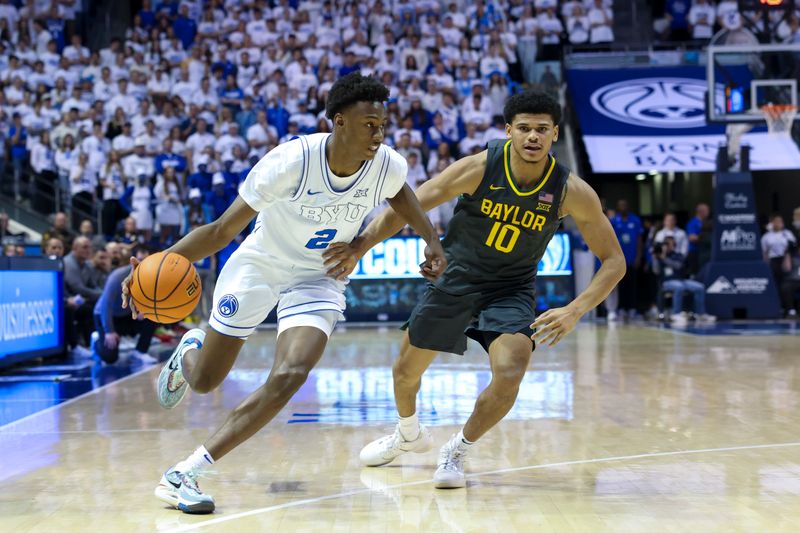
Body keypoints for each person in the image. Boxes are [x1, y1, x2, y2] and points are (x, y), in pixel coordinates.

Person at [121, 73, 446, 514]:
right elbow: (220, 230)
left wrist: (431, 240)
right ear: (339, 122)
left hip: (319, 276)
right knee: (204, 382)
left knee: (292, 373)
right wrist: (159, 260)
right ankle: (190, 352)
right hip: (260, 267)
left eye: (382, 125)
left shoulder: (387, 163)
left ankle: (185, 472)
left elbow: (403, 197)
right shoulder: (291, 161)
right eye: (369, 124)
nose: (378, 133)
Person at [329, 91, 625, 488]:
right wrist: (359, 247)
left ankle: (458, 448)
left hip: (510, 288)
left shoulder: (572, 191)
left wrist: (575, 310)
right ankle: (407, 433)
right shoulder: (480, 167)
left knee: (511, 369)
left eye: (541, 129)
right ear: (509, 131)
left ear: (555, 133)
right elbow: (409, 205)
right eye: (524, 129)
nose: (532, 137)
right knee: (404, 373)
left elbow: (614, 261)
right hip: (456, 279)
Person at [93, 244, 158, 364]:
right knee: (110, 358)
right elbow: (105, 305)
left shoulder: (151, 276)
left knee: (152, 315)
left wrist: (144, 309)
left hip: (127, 314)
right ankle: (97, 342)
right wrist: (109, 331)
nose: (143, 264)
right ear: (132, 260)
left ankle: (140, 352)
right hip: (106, 315)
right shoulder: (117, 277)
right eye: (140, 260)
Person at [655, 236, 716, 325]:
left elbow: (678, 266)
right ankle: (676, 314)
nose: (668, 246)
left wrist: (664, 259)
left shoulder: (678, 255)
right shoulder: (659, 256)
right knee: (679, 287)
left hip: (681, 280)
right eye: (666, 244)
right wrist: (657, 258)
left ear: (674, 245)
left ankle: (701, 314)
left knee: (700, 287)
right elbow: (655, 270)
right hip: (666, 282)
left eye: (670, 244)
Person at [610, 199, 643, 319]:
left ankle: (632, 308)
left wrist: (638, 256)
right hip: (620, 259)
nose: (623, 207)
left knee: (632, 285)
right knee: (620, 285)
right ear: (618, 207)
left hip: (632, 258)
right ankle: (621, 309)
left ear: (628, 207)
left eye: (625, 205)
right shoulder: (614, 221)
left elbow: (639, 239)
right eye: (620, 205)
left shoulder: (635, 220)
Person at [761, 214, 796, 292]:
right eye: (776, 221)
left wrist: (788, 257)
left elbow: (793, 247)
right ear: (772, 223)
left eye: (780, 221)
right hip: (773, 260)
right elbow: (764, 253)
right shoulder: (766, 236)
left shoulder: (788, 233)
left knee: (787, 280)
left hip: (787, 259)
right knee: (776, 281)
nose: (779, 223)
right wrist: (765, 265)